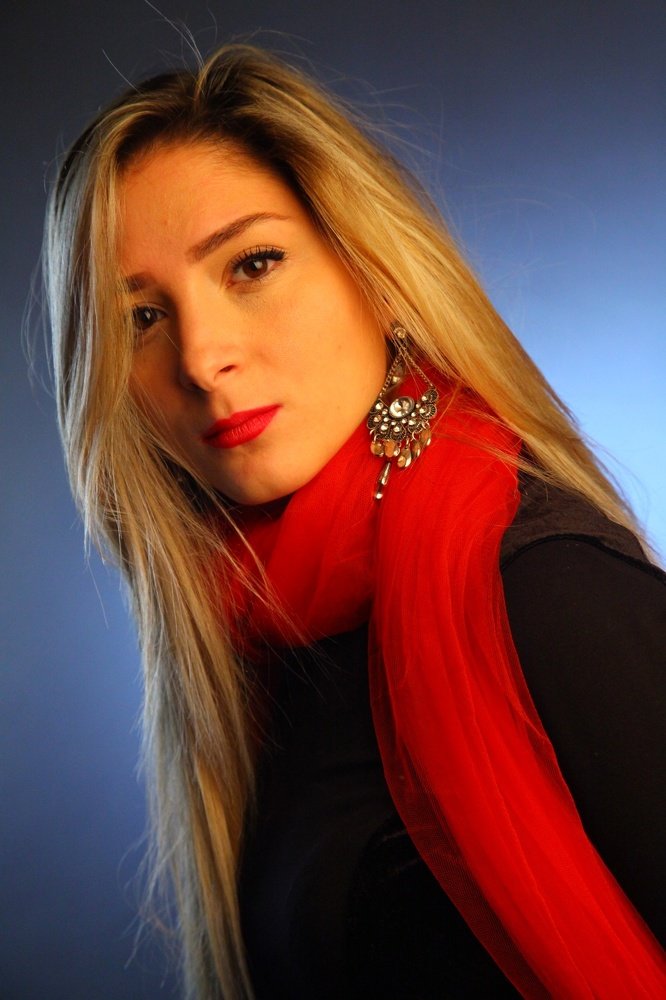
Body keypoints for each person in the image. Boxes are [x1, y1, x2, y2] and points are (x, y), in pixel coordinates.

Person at [44, 44, 665, 1000]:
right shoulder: (257, 641)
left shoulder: (549, 588)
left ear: (372, 272)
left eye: (252, 264)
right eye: (140, 320)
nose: (202, 358)